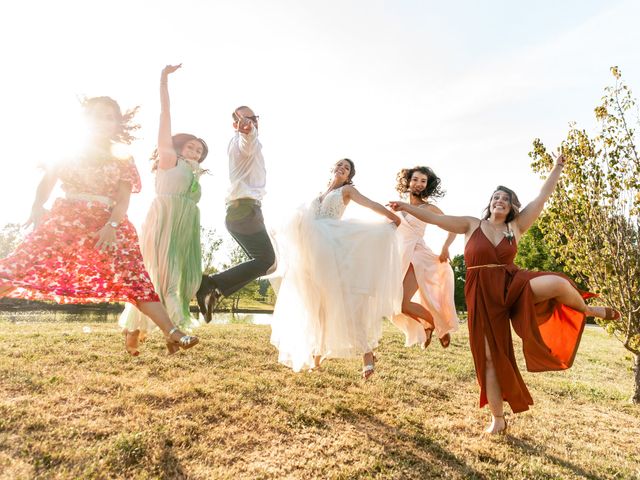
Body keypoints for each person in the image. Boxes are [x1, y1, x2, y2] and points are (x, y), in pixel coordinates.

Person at [388, 151, 620, 433]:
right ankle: (498, 418)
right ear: (490, 203)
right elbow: (437, 220)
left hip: (513, 285)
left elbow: (541, 198)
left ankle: (587, 309)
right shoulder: (472, 224)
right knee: (488, 357)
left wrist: (556, 169)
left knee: (559, 283)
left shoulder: (515, 227)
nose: (500, 201)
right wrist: (406, 207)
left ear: (511, 207)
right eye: (496, 197)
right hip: (483, 296)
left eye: (505, 199)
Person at [0, 96, 199, 355]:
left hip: (108, 224)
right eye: (95, 115)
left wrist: (112, 224)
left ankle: (173, 333)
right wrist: (37, 206)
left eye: (108, 117)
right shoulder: (68, 148)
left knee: (135, 279)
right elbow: (47, 180)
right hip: (65, 220)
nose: (102, 121)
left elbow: (123, 199)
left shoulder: (122, 156)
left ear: (117, 123)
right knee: (17, 267)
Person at [270, 158, 402, 379]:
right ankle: (317, 355)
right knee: (316, 305)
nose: (342, 168)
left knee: (344, 303)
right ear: (332, 168)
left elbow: (370, 204)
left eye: (347, 168)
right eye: (340, 164)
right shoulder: (318, 193)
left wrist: (392, 218)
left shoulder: (347, 190)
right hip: (310, 254)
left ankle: (368, 354)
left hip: (332, 250)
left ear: (349, 176)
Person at [119, 65, 208, 353]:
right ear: (180, 147)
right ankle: (164, 332)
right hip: (164, 222)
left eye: (200, 151)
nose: (196, 152)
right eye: (192, 147)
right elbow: (164, 117)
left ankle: (160, 331)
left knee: (181, 279)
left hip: (186, 226)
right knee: (162, 276)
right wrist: (163, 82)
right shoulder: (169, 158)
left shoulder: (194, 174)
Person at [196, 106, 275, 322]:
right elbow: (247, 142)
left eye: (254, 117)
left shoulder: (245, 145)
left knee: (264, 262)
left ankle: (216, 290)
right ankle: (210, 284)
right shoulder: (245, 143)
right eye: (245, 118)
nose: (252, 121)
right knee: (267, 260)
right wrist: (247, 131)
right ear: (236, 124)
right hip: (244, 209)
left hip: (242, 210)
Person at [392, 166, 459, 349]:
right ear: (407, 181)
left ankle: (438, 326)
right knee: (398, 304)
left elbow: (453, 226)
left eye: (423, 181)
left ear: (428, 185)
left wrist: (446, 247)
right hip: (400, 256)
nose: (419, 184)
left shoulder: (429, 208)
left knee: (403, 303)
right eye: (415, 179)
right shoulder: (397, 206)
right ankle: (428, 325)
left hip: (416, 254)